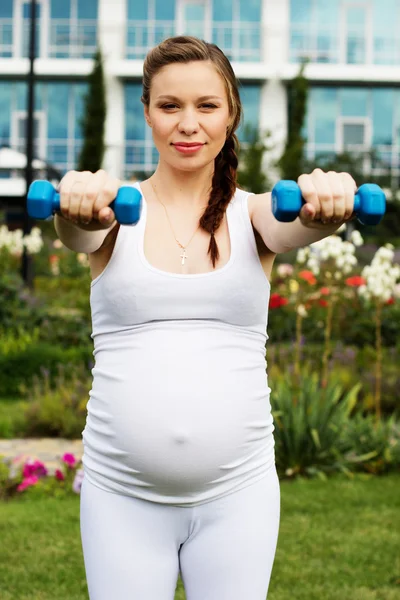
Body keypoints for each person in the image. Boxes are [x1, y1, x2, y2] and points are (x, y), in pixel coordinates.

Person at [54, 36, 357, 600]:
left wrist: (330, 205)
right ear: (147, 113)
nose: (187, 124)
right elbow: (78, 232)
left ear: (231, 113)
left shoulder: (257, 214)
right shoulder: (113, 209)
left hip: (238, 495)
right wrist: (76, 199)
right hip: (121, 495)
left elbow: (302, 226)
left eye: (206, 105)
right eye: (170, 106)